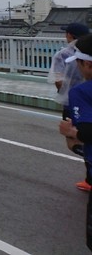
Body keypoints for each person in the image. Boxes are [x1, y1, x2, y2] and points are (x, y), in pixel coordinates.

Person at [58, 35, 92, 249]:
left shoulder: (82, 91)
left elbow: (87, 131)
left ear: (87, 64)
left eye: (78, 64)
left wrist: (71, 133)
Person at [50, 23, 92, 191]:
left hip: (74, 102)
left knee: (75, 140)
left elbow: (58, 80)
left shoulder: (63, 54)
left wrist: (71, 132)